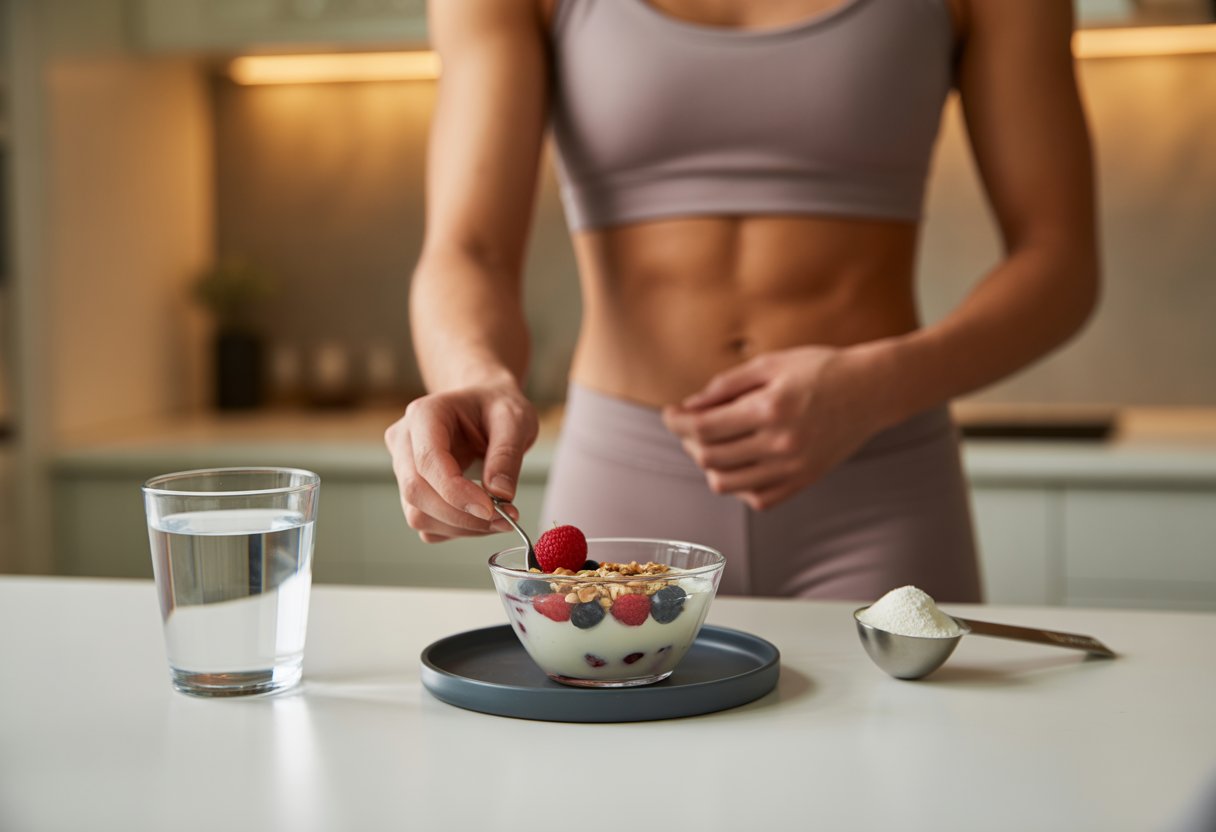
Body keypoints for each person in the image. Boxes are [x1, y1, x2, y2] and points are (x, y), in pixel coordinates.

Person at [384, 0, 1099, 602]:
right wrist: (475, 376)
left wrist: (883, 386)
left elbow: (1060, 261)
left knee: (904, 765)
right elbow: (466, 249)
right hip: (624, 486)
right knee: (605, 769)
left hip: (878, 494)